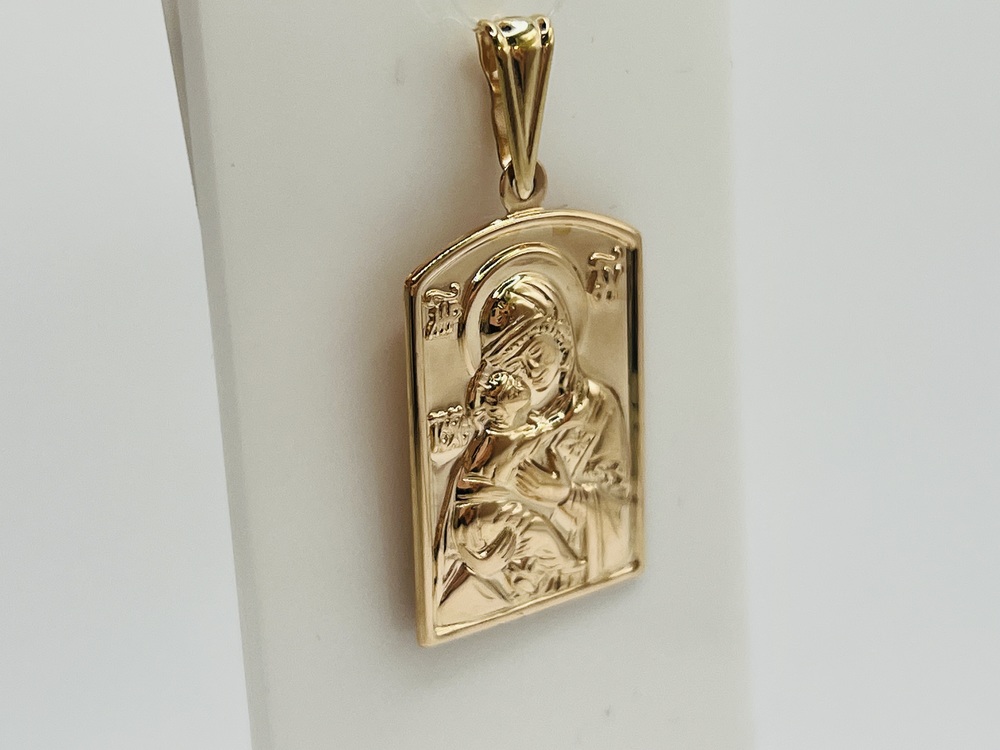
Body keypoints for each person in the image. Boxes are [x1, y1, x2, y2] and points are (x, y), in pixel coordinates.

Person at [434, 272, 632, 626]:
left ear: (562, 340)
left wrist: (566, 497)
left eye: (537, 352)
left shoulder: (598, 410)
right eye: (513, 362)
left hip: (578, 583)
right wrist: (481, 562)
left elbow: (621, 510)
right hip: (497, 573)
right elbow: (458, 516)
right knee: (451, 610)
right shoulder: (500, 424)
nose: (529, 368)